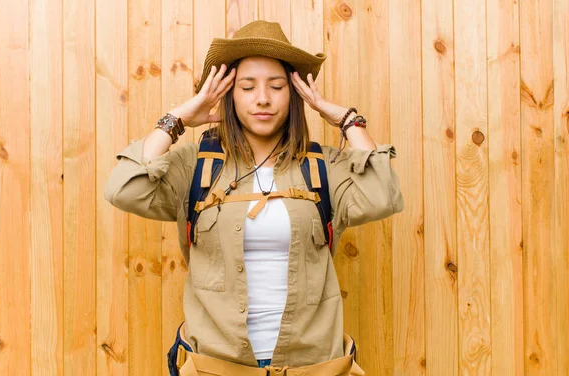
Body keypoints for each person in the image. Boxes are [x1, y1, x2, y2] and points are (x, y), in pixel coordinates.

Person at [104, 20, 404, 376]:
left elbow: (383, 195)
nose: (263, 98)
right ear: (229, 93)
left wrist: (347, 120)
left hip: (313, 364)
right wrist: (178, 119)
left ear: (294, 94)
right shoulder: (195, 165)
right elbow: (123, 187)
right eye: (247, 87)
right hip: (214, 366)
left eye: (276, 86)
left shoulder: (323, 166)